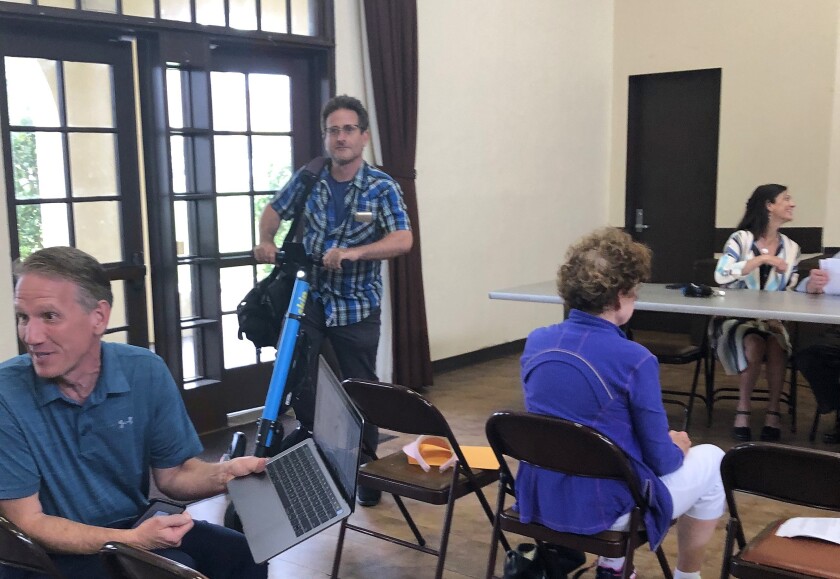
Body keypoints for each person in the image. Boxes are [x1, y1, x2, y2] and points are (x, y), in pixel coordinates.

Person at [0, 247, 268, 579]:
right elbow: (29, 522)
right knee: (178, 571)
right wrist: (132, 541)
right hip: (45, 554)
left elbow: (174, 477)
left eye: (49, 316)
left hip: (131, 524)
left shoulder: (144, 371)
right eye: (23, 317)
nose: (31, 335)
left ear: (99, 317)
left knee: (244, 554)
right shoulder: (5, 393)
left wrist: (227, 474)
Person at [517, 228, 725, 579]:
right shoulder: (635, 358)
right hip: (602, 507)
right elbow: (661, 460)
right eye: (634, 294)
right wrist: (677, 447)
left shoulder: (537, 342)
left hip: (540, 498)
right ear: (618, 298)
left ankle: (614, 565)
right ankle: (685, 576)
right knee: (713, 460)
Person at [254, 95, 413, 507]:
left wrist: (356, 253)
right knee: (298, 377)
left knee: (361, 389)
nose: (340, 138)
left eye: (348, 130)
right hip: (311, 299)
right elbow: (274, 209)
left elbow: (403, 239)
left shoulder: (381, 187)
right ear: (326, 137)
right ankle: (319, 455)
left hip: (357, 305)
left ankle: (367, 473)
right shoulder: (311, 179)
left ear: (363, 136)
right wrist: (266, 240)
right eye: (333, 130)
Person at [714, 184, 801, 442]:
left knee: (776, 344)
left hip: (772, 321)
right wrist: (761, 260)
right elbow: (721, 275)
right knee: (753, 342)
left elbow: (792, 289)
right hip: (734, 319)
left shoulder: (792, 247)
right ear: (768, 205)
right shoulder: (740, 240)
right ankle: (743, 409)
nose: (792, 203)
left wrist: (812, 286)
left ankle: (773, 411)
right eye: (786, 198)